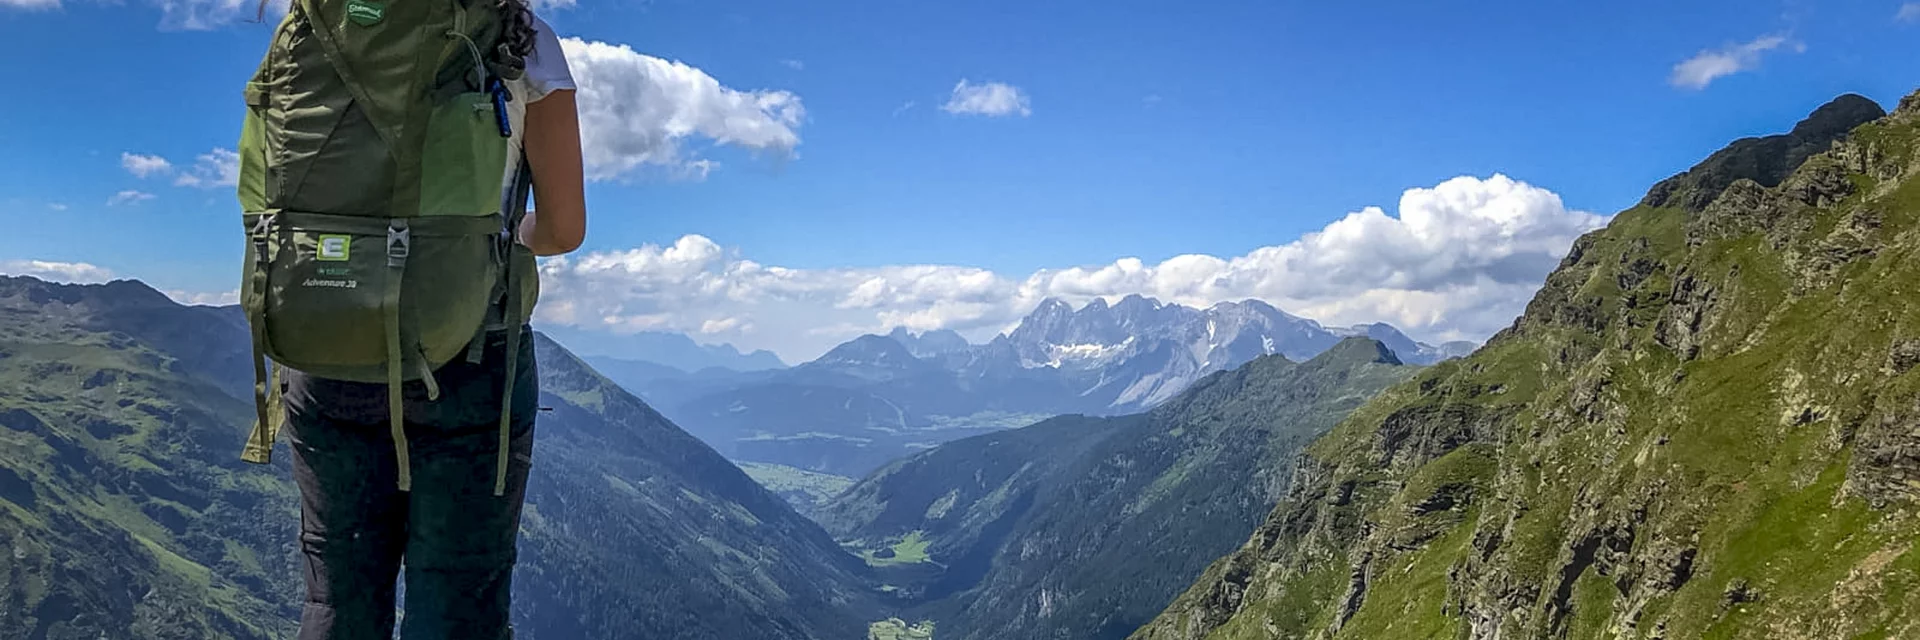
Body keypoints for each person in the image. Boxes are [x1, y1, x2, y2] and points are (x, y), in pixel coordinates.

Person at [271, 4, 586, 639]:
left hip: (328, 347)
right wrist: (497, 238)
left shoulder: (309, 29)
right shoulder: (521, 42)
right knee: (457, 609)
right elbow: (561, 228)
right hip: (470, 359)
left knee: (337, 602)